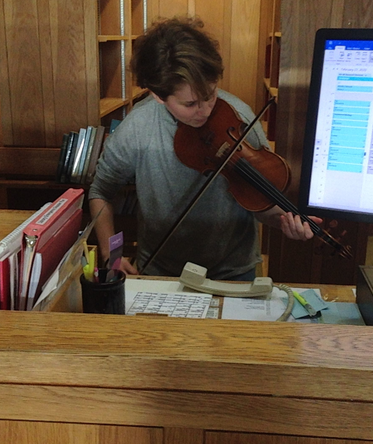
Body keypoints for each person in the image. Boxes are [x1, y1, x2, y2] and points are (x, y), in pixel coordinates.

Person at [88, 17, 320, 280]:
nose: (205, 110)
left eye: (210, 95)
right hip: (161, 272)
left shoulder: (239, 118)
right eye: (190, 104)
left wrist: (284, 221)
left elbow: (259, 202)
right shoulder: (137, 127)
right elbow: (101, 192)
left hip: (234, 271)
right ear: (157, 95)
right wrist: (112, 254)